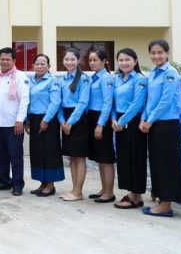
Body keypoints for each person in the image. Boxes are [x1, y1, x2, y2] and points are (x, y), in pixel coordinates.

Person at [140, 39, 181, 217]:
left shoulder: (170, 73)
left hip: (167, 125)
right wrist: (144, 119)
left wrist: (149, 120)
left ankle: (166, 206)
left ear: (167, 53)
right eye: (153, 53)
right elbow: (150, 100)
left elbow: (165, 101)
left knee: (167, 164)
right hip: (154, 124)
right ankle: (160, 198)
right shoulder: (153, 73)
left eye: (160, 52)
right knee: (157, 163)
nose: (156, 56)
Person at [111, 48, 148, 210]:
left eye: (128, 59)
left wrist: (121, 121)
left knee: (136, 158)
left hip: (134, 122)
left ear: (135, 61)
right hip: (119, 122)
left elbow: (137, 104)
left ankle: (135, 195)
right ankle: (134, 195)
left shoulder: (139, 80)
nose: (124, 63)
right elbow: (112, 101)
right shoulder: (117, 79)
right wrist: (113, 119)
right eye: (121, 60)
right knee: (124, 158)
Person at [0, 47, 30, 196]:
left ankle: (17, 184)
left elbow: (24, 99)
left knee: (15, 156)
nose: (5, 62)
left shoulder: (20, 76)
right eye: (2, 59)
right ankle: (4, 181)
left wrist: (20, 120)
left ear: (14, 60)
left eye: (8, 59)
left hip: (14, 124)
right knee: (0, 155)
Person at [26, 54, 64, 197]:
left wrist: (46, 120)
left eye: (43, 64)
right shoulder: (31, 80)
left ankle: (50, 185)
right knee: (37, 152)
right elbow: (28, 101)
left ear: (49, 66)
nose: (39, 66)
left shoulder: (52, 81)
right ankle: (42, 183)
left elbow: (55, 102)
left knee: (49, 152)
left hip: (48, 120)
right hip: (34, 119)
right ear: (33, 65)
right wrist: (27, 119)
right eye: (37, 63)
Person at [59, 48, 91, 201]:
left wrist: (70, 122)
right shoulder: (63, 79)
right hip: (65, 119)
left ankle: (78, 192)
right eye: (66, 59)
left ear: (78, 61)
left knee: (79, 156)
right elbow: (59, 103)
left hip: (78, 120)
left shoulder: (83, 79)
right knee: (72, 157)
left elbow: (83, 103)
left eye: (72, 59)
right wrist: (62, 121)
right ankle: (74, 190)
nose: (69, 62)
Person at [85, 49, 116, 204]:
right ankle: (104, 189)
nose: (92, 63)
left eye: (95, 60)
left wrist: (100, 124)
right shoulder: (94, 77)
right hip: (92, 117)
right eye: (90, 60)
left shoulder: (106, 78)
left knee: (106, 157)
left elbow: (107, 103)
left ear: (104, 62)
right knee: (100, 158)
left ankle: (109, 192)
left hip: (101, 119)